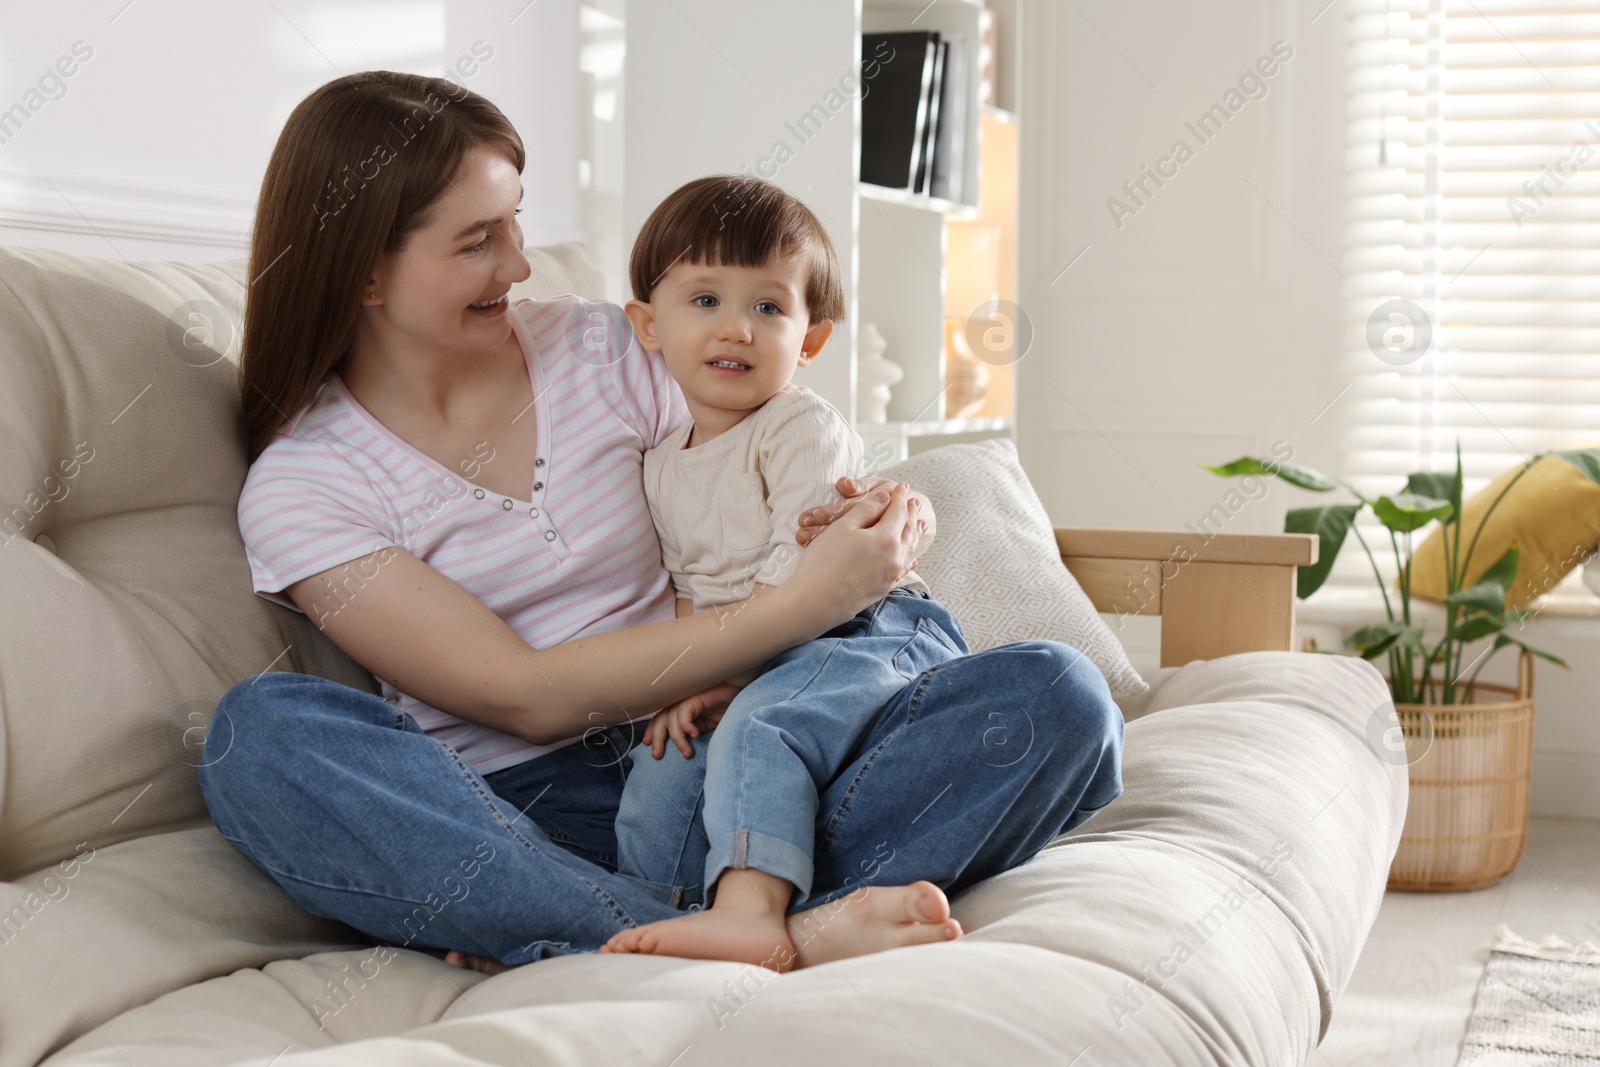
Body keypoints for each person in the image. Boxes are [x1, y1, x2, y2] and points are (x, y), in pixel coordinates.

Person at [198, 70, 1125, 975]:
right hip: (532, 812)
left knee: (1059, 697)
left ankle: (643, 920)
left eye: (517, 220)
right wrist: (803, 603)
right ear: (363, 270)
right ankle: (783, 933)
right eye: (479, 240)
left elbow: (779, 438)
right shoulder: (305, 486)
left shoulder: (600, 346)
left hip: (742, 749)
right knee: (260, 738)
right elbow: (524, 693)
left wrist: (873, 509)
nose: (520, 264)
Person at [604, 175, 1093, 972]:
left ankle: (750, 909)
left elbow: (807, 571)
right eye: (705, 301)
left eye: (768, 307)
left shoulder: (800, 424)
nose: (737, 328)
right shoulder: (661, 463)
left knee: (768, 724)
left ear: (811, 340)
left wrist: (733, 671)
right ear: (648, 324)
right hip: (750, 657)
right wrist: (683, 683)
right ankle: (641, 917)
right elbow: (692, 590)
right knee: (660, 778)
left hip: (859, 630)